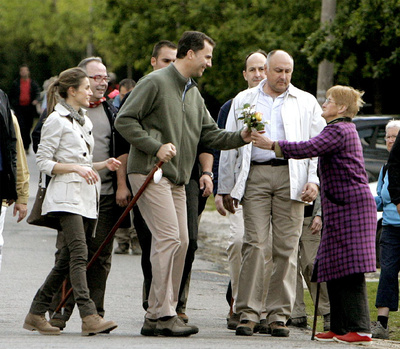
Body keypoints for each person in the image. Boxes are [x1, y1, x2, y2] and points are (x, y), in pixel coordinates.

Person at [115, 30, 251, 337]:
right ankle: (159, 314)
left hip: (177, 177)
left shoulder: (193, 92)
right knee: (168, 239)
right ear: (189, 53)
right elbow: (124, 119)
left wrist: (241, 137)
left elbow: (211, 134)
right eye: (207, 56)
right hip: (150, 171)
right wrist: (154, 145)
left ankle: (166, 312)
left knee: (184, 241)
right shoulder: (155, 82)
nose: (209, 64)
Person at [253, 85, 376, 345]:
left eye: (329, 100)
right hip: (341, 208)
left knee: (351, 270)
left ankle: (361, 330)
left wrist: (272, 144)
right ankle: (340, 328)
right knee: (335, 267)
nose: (324, 103)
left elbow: (308, 147)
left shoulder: (340, 130)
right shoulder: (338, 129)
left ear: (341, 108)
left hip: (351, 208)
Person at [218, 49, 326, 337]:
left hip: (292, 174)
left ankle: (279, 315)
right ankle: (249, 312)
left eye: (288, 71)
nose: (284, 77)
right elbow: (230, 143)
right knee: (254, 243)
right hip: (255, 174)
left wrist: (314, 180)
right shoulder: (245, 99)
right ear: (265, 70)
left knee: (286, 248)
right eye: (278, 71)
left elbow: (318, 145)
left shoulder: (305, 101)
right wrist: (225, 186)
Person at [23, 67, 120, 336]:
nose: (91, 92)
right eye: (86, 87)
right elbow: (42, 162)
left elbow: (83, 162)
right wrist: (76, 169)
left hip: (85, 199)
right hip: (65, 198)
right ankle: (89, 316)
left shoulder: (83, 121)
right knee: (79, 254)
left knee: (66, 259)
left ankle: (35, 312)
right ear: (72, 91)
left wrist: (103, 164)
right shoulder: (56, 120)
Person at [48, 57, 131, 330]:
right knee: (70, 254)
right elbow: (44, 152)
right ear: (78, 83)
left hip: (103, 195)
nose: (102, 82)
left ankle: (95, 313)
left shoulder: (110, 109)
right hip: (71, 196)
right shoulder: (61, 112)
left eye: (105, 77)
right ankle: (59, 311)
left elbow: (118, 150)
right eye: (95, 77)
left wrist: (121, 185)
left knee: (100, 256)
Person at [213, 50, 268, 329]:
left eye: (263, 68)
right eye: (253, 69)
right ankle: (237, 299)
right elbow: (223, 147)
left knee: (263, 248)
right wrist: (221, 189)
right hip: (238, 187)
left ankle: (260, 307)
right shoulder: (232, 106)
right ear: (245, 74)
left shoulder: (278, 105)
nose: (258, 74)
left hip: (269, 187)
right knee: (237, 243)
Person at [372, 120, 400, 339]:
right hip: (390, 228)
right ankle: (381, 324)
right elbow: (381, 199)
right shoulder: (385, 168)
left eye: (394, 136)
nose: (391, 140)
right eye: (388, 137)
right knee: (387, 273)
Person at [289, 194, 330, 331]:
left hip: (310, 217)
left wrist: (320, 214)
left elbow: (323, 187)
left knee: (312, 265)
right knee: (289, 267)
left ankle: (327, 311)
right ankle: (296, 312)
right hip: (287, 216)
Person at [9, 64, 41, 152]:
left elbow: (38, 93)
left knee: (28, 127)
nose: (23, 72)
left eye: (25, 70)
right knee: (21, 127)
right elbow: (11, 95)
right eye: (22, 70)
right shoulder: (16, 83)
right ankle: (22, 145)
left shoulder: (33, 83)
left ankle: (27, 145)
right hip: (19, 108)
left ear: (28, 72)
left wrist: (36, 100)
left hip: (29, 108)